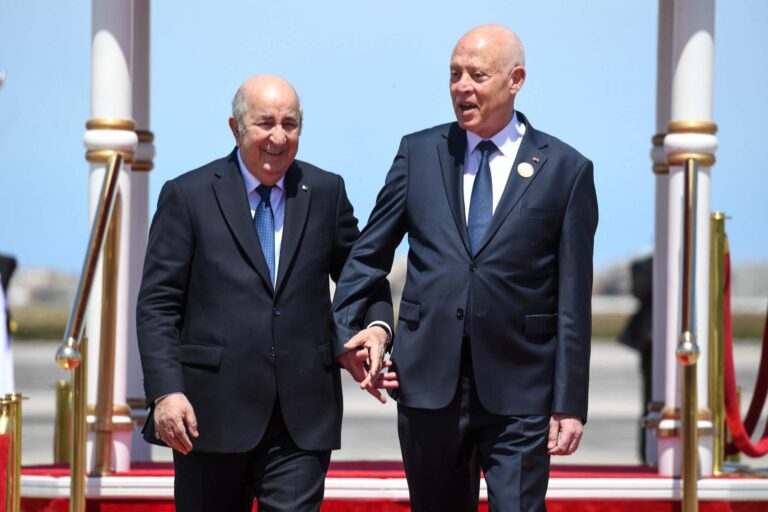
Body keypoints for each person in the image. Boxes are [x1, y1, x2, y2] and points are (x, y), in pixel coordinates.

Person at [332, 24, 598, 511]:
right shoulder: (419, 153)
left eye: (477, 75)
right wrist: (350, 329)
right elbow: (368, 254)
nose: (462, 87)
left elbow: (573, 301)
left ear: (515, 80)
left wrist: (569, 402)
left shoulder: (566, 169)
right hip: (428, 385)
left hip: (522, 390)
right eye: (454, 74)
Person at [136, 75, 393, 512]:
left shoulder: (325, 192)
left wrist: (376, 326)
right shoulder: (188, 195)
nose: (279, 137)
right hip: (208, 415)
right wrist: (166, 393)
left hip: (301, 419)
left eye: (290, 124)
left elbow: (362, 275)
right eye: (265, 123)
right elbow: (158, 305)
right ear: (235, 128)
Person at [618, 254, 653, 463]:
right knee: (650, 399)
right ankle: (646, 451)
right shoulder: (643, 265)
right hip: (650, 342)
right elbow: (640, 291)